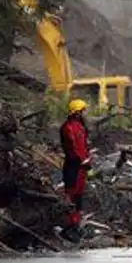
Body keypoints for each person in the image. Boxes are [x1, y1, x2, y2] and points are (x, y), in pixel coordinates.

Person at [59, 98, 93, 242]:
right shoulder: (68, 127)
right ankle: (69, 226)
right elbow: (73, 147)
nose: (85, 113)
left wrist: (88, 159)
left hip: (81, 167)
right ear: (77, 112)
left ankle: (76, 225)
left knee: (78, 197)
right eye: (83, 111)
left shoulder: (80, 127)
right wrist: (82, 160)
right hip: (74, 165)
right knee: (71, 195)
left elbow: (84, 145)